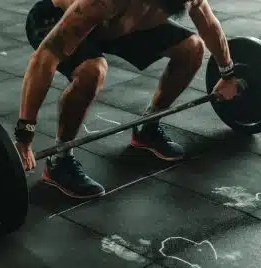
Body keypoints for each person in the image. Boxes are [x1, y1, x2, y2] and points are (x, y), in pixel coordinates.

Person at [15, 0, 240, 199]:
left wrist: (227, 73)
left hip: (118, 26)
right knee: (92, 71)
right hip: (55, 17)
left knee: (192, 49)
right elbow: (44, 59)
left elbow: (209, 25)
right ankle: (60, 160)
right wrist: (25, 132)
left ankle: (147, 128)